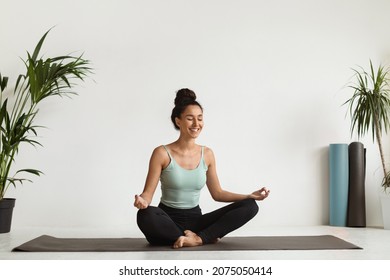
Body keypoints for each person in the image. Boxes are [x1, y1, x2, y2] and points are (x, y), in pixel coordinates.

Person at [134, 88, 270, 249]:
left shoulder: (207, 154)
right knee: (145, 215)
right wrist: (142, 201)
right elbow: (147, 195)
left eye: (200, 118)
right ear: (178, 121)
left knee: (250, 206)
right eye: (190, 119)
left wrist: (248, 195)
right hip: (167, 220)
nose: (196, 124)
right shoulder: (162, 153)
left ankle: (196, 239)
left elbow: (217, 194)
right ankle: (200, 237)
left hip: (196, 222)